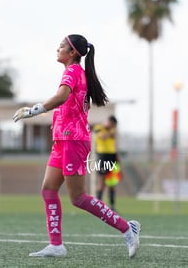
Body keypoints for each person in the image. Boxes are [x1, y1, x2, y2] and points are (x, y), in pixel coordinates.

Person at [13, 34, 141, 258]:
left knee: (78, 197)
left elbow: (61, 97)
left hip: (73, 140)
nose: (57, 49)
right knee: (48, 189)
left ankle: (127, 228)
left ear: (72, 53)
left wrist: (34, 110)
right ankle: (56, 245)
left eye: (61, 46)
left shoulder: (73, 71)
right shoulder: (74, 72)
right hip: (62, 140)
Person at [93, 115, 120, 211]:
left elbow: (114, 145)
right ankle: (97, 207)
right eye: (111, 124)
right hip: (102, 156)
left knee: (112, 183)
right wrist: (111, 132)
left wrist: (118, 158)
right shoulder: (98, 128)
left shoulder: (113, 131)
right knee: (101, 182)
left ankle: (112, 206)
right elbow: (103, 137)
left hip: (112, 156)